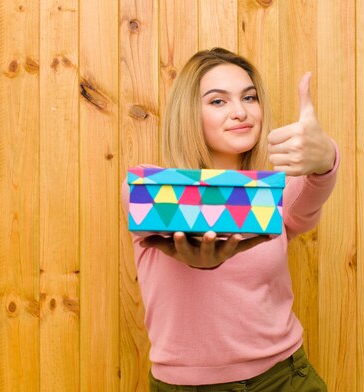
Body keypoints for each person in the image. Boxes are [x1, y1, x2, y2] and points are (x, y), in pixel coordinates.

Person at [121, 48, 339, 391]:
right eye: (218, 101)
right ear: (189, 113)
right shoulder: (151, 192)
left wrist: (325, 156)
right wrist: (194, 258)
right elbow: (164, 216)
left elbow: (316, 184)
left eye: (249, 97)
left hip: (283, 379)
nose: (241, 112)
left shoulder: (275, 195)